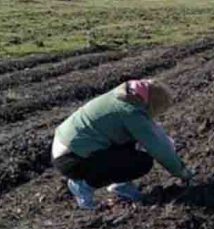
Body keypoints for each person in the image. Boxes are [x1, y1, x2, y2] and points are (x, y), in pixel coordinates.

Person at [51, 79, 194, 210]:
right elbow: (158, 148)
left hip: (66, 149)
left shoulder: (124, 96)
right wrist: (182, 172)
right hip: (72, 159)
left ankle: (122, 185)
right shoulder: (131, 112)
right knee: (142, 162)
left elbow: (153, 132)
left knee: (130, 143)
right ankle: (82, 186)